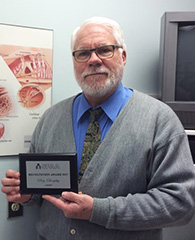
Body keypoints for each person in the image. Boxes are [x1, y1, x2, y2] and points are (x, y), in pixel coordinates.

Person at [1, 16, 195, 240]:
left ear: (122, 56)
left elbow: (180, 204)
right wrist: (25, 194)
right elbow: (41, 192)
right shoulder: (49, 119)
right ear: (74, 61)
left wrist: (98, 210)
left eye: (105, 50)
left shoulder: (160, 121)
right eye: (83, 53)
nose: (93, 60)